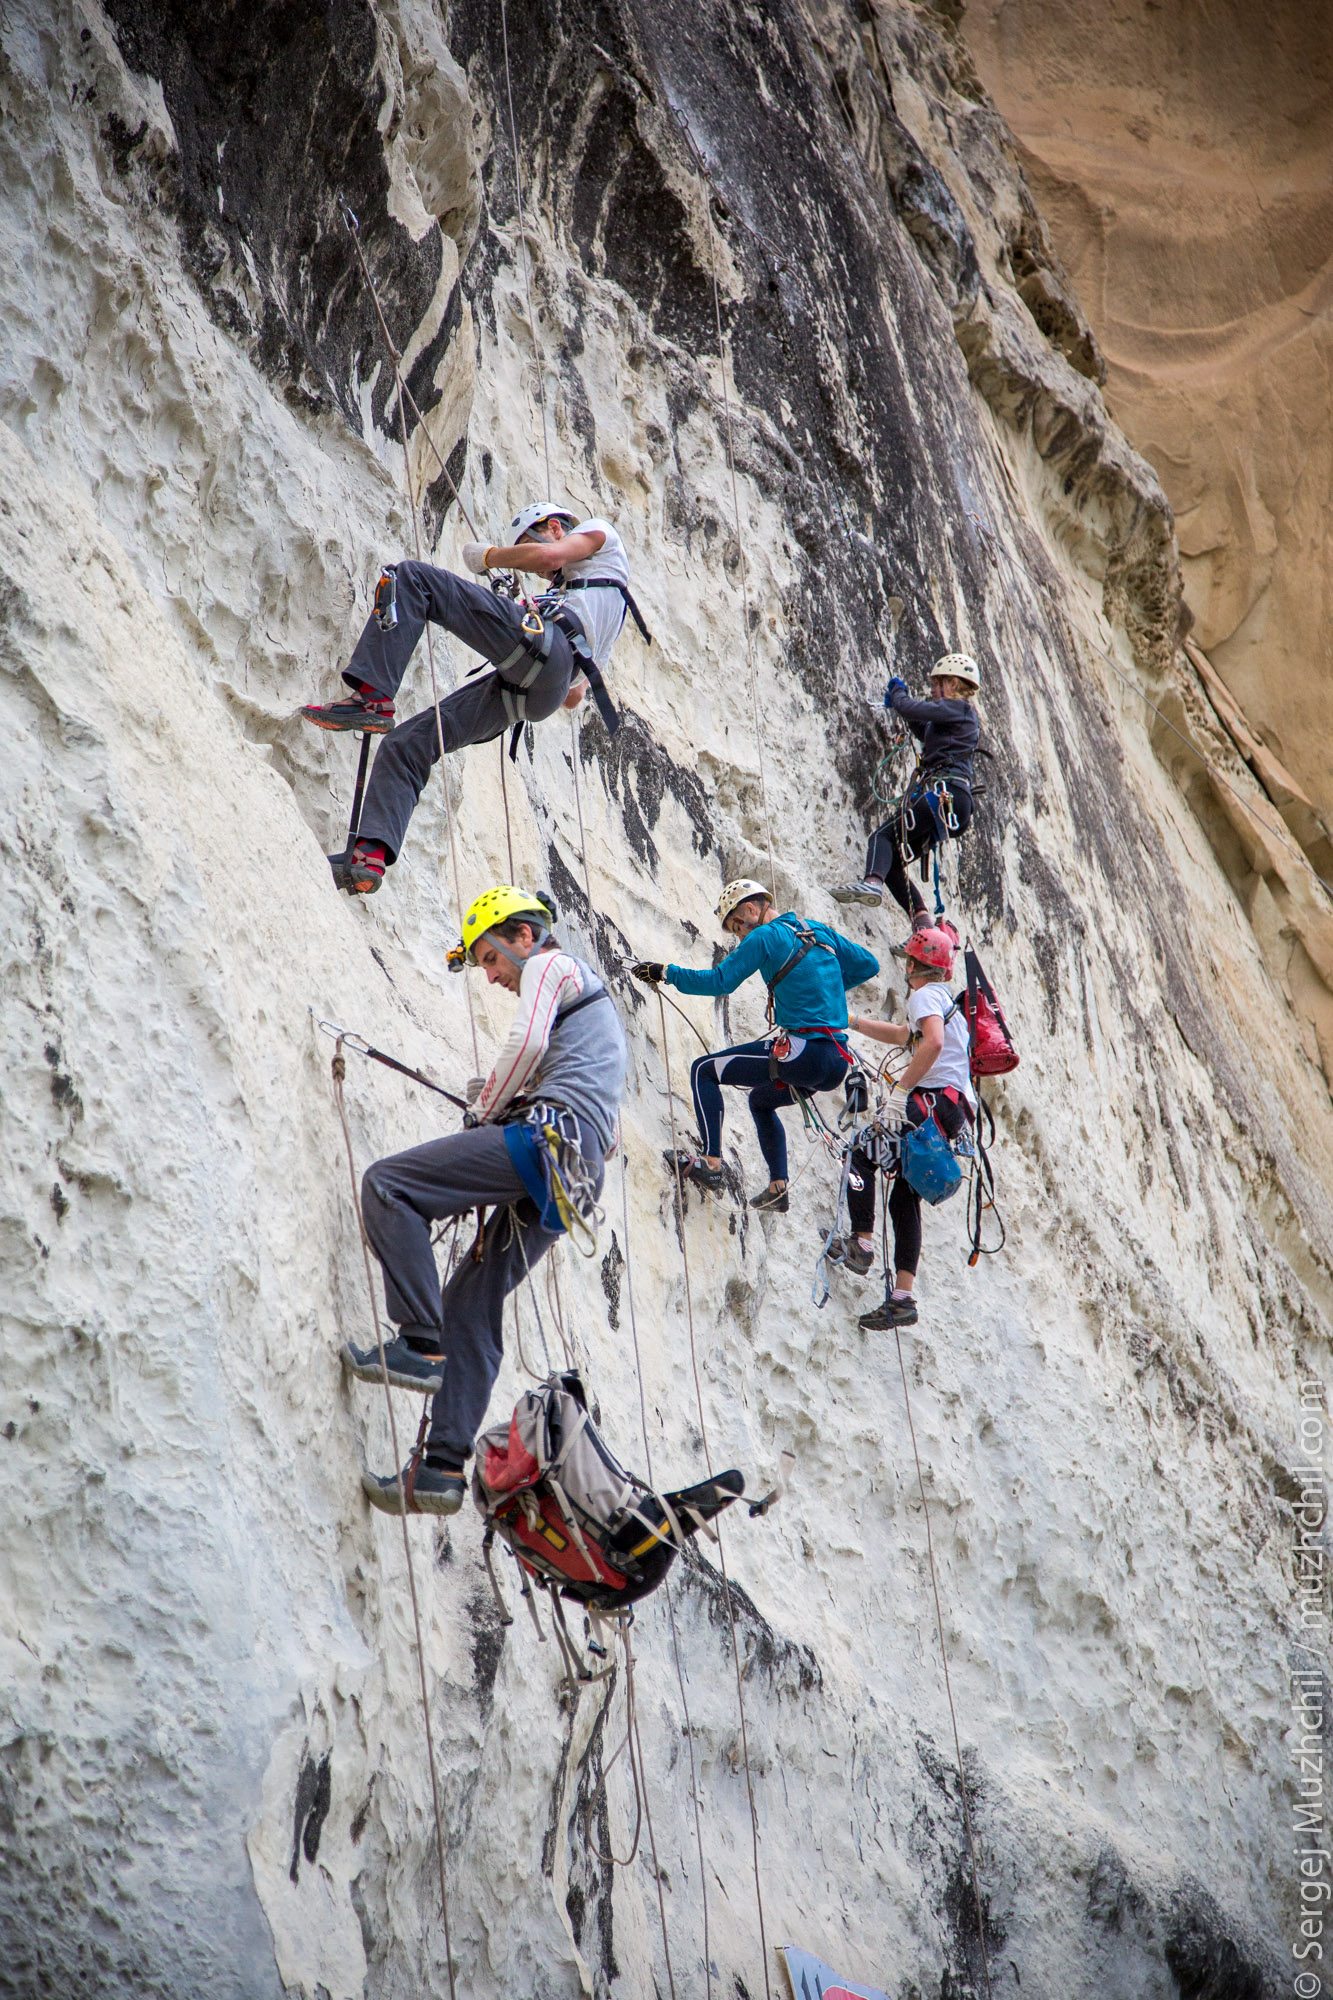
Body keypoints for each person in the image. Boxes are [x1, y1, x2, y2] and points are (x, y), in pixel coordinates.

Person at [343, 884, 627, 1514]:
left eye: (491, 958)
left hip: (545, 1144)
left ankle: (418, 1343)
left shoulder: (551, 964)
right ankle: (441, 1469)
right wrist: (505, 1104)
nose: (493, 976)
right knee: (471, 1305)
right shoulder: (599, 1019)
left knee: (389, 1187)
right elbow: (593, 1117)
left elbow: (524, 1045)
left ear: (524, 935)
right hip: (574, 1177)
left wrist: (486, 1110)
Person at [302, 504, 646, 893]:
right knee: (408, 743)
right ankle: (369, 857)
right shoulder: (601, 604)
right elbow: (573, 696)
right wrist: (520, 620)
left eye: (527, 550)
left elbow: (550, 554)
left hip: (545, 655)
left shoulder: (599, 534)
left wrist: (490, 558)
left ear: (554, 527)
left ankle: (371, 698)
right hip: (538, 694)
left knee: (414, 579)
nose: (541, 571)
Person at [632, 879, 879, 1213]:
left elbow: (720, 982)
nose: (739, 936)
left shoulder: (764, 936)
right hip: (835, 1062)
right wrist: (823, 990)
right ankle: (779, 1188)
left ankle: (712, 1163)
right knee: (761, 1101)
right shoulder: (819, 930)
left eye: (737, 926)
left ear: (751, 908)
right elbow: (869, 965)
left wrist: (666, 972)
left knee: (704, 1070)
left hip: (803, 1052)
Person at [835, 924, 975, 1329]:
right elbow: (904, 1036)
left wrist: (901, 1092)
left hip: (928, 1105)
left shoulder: (923, 996)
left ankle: (861, 1245)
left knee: (860, 1151)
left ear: (913, 963)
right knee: (903, 1198)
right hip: (951, 1112)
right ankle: (903, 1298)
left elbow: (929, 1043)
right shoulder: (943, 999)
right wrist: (854, 1022)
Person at [831, 652, 981, 928]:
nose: (933, 692)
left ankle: (871, 882)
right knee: (894, 860)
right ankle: (922, 922)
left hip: (944, 794)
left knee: (881, 837)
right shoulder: (957, 719)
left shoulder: (959, 708)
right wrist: (902, 708)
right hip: (954, 804)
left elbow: (915, 709)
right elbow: (927, 733)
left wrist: (899, 695)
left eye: (936, 685)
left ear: (951, 683)